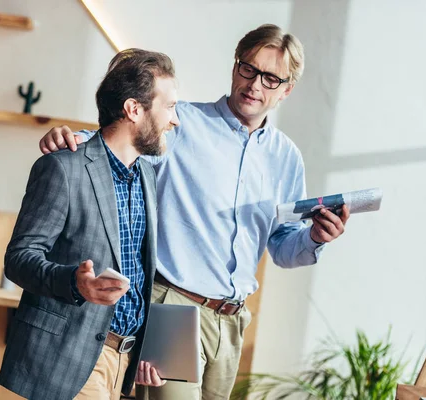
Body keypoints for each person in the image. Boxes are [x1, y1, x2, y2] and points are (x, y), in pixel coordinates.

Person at [38, 24, 351, 400]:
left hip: (232, 322)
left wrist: (315, 238)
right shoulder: (180, 123)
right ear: (236, 68)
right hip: (173, 306)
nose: (254, 85)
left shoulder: (286, 158)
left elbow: (282, 247)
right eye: (248, 69)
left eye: (270, 79)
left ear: (286, 90)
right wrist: (70, 138)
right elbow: (115, 141)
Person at [0, 48, 180, 400]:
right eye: (169, 107)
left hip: (124, 362)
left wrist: (144, 348)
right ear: (134, 109)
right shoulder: (63, 167)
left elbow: (139, 275)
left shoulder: (146, 173)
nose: (175, 120)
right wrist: (73, 283)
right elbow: (19, 258)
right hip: (71, 359)